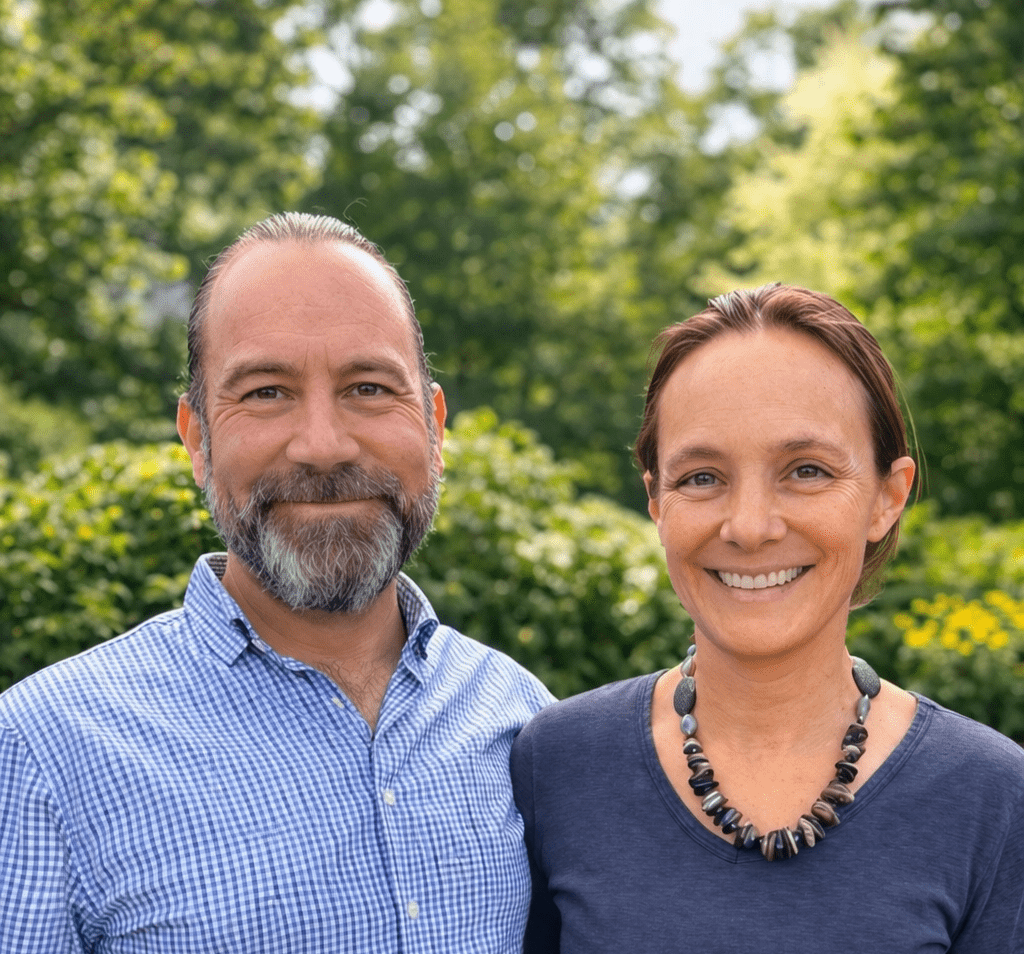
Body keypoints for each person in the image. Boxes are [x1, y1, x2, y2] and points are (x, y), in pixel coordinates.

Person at [0, 212, 554, 952]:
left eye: (368, 387)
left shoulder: (523, 721)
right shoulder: (43, 752)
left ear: (434, 427)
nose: (323, 445)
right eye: (265, 392)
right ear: (197, 440)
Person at [511, 283, 1024, 953]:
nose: (750, 527)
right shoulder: (556, 765)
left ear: (887, 496)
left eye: (806, 470)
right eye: (701, 477)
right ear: (657, 502)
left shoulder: (991, 796)